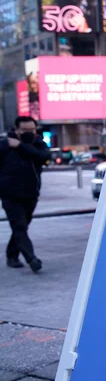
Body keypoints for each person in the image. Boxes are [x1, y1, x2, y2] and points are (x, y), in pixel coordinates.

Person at [0, 116, 50, 272]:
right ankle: (32, 259)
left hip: (31, 194)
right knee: (20, 226)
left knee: (21, 227)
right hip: (10, 194)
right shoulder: (4, 145)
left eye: (32, 130)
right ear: (17, 130)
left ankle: (11, 255)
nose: (29, 133)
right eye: (25, 130)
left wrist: (20, 145)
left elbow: (44, 157)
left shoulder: (38, 144)